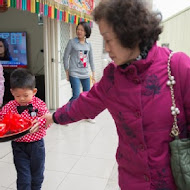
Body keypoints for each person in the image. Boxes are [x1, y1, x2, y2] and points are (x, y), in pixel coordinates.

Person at [42, 0, 190, 189]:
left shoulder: (177, 66)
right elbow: (86, 103)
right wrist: (53, 117)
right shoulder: (113, 76)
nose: (107, 48)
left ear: (129, 33)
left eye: (108, 39)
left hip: (175, 181)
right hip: (131, 181)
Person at [0, 68, 51, 190]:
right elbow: (2, 122)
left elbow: (48, 120)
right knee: (24, 177)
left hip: (37, 146)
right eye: (18, 95)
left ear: (34, 91)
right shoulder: (8, 107)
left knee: (37, 175)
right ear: (12, 92)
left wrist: (40, 122)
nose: (22, 99)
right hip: (19, 147)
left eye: (25, 95)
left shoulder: (39, 104)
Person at [63, 21, 96, 123]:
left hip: (85, 73)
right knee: (76, 95)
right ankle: (64, 115)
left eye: (81, 30)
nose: (79, 31)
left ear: (86, 32)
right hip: (74, 73)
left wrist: (93, 73)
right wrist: (67, 71)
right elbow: (65, 57)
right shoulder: (72, 42)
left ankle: (87, 115)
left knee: (87, 96)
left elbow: (91, 59)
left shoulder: (89, 45)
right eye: (78, 29)